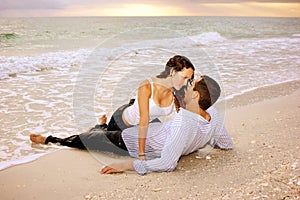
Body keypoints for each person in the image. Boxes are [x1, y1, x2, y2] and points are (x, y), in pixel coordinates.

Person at [30, 75, 233, 175]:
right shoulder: (212, 114)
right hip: (155, 130)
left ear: (195, 95)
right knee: (132, 108)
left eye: (191, 85)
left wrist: (126, 165)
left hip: (130, 141)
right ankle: (103, 124)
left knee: (86, 140)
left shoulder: (183, 120)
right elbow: (226, 143)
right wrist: (203, 139)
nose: (186, 85)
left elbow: (167, 164)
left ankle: (50, 139)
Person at [105, 55, 195, 160]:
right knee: (104, 138)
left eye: (188, 79)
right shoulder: (147, 85)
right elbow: (144, 121)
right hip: (121, 122)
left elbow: (185, 116)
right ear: (173, 72)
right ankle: (101, 126)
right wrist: (141, 154)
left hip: (147, 122)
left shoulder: (176, 93)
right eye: (184, 77)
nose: (185, 83)